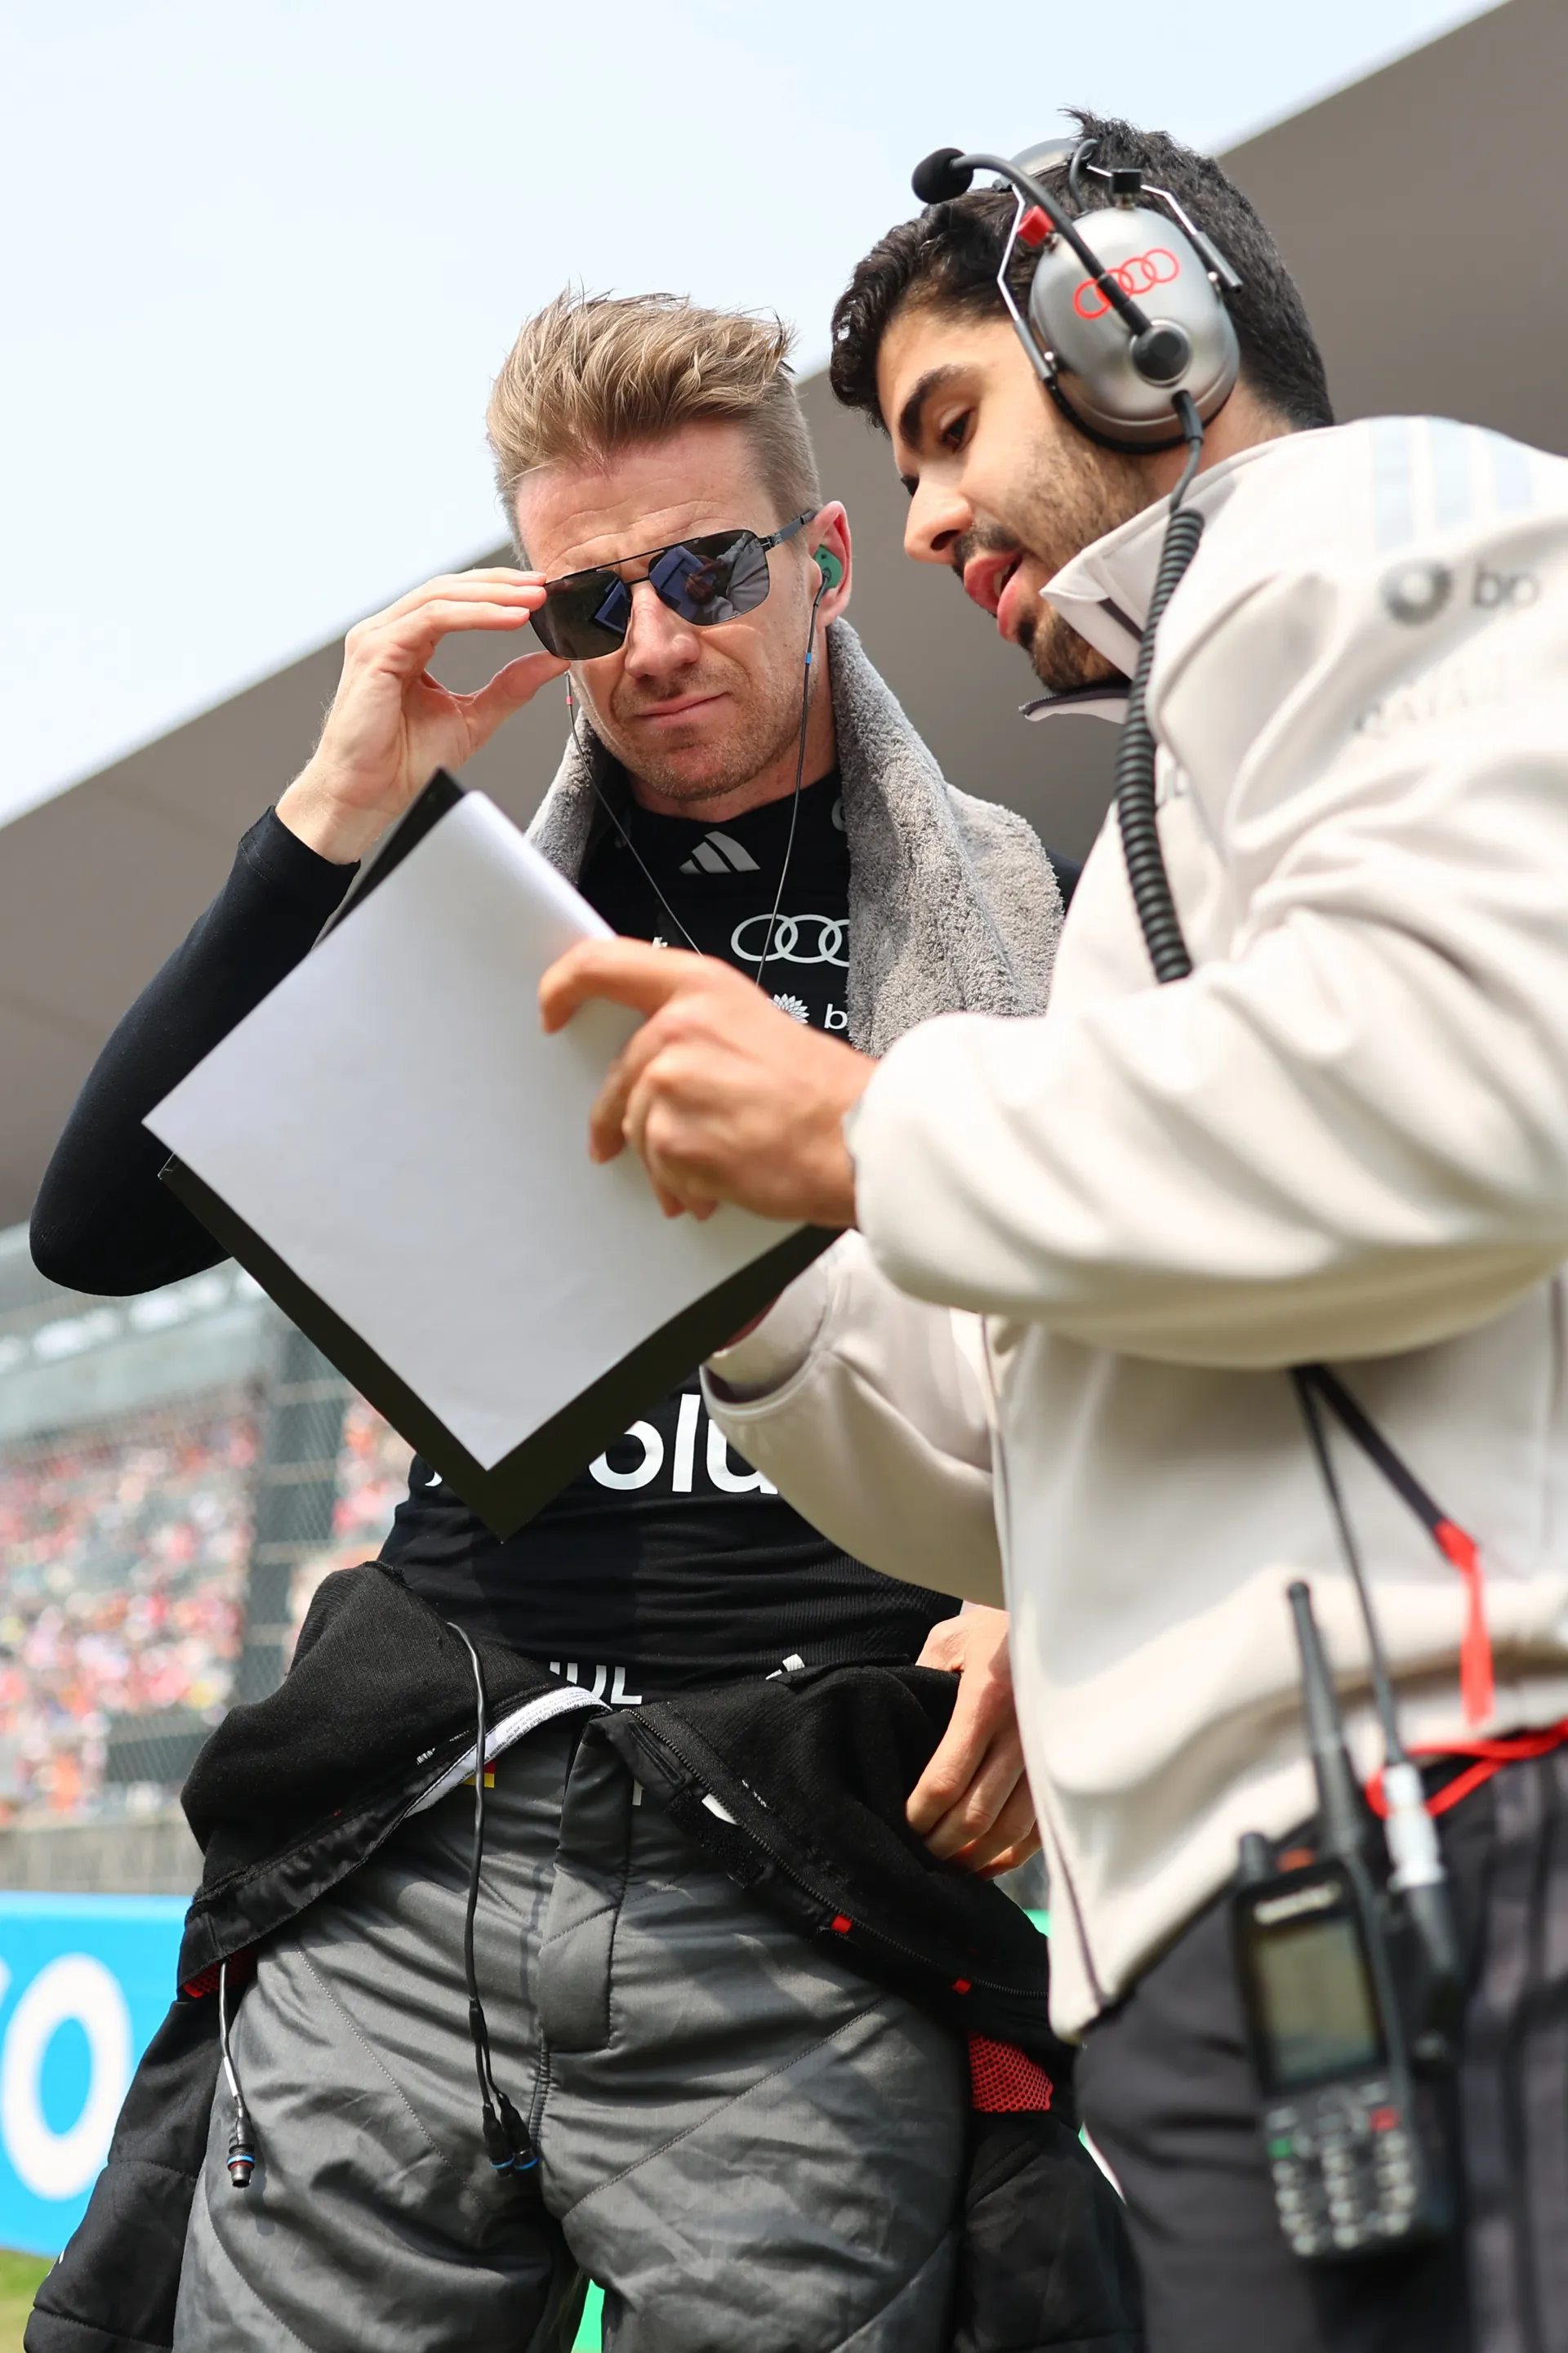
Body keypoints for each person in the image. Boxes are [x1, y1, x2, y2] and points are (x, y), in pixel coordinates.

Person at [537, 116, 1568, 2353]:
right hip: (1267, 1913)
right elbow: (1014, 1441)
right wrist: (728, 1272)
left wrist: (869, 1116)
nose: (918, 520)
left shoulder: (1382, 523)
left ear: (1141, 327)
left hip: (1448, 1829)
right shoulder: (1149, 837)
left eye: (947, 426)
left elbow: (1477, 1082)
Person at [25, 292, 1139, 2353]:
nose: (651, 641)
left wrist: (1048, 1574)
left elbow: (1182, 1305)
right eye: (588, 601)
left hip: (806, 1857)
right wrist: (343, 798)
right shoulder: (464, 932)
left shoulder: (1048, 912)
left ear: (819, 565)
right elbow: (97, 1228)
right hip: (417, 1824)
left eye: (707, 570)